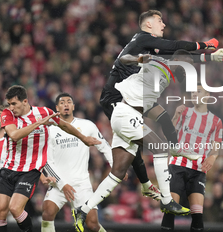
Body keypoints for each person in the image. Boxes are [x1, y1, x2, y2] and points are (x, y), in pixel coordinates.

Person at [73, 51, 214, 232]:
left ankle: (82, 210)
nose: (187, 73)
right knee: (160, 148)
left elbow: (157, 114)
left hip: (127, 114)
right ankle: (167, 200)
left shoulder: (166, 77)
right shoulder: (159, 64)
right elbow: (123, 59)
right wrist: (138, 59)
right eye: (187, 68)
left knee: (117, 173)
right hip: (126, 113)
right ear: (178, 61)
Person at [99, 10, 223, 201]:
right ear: (149, 25)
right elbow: (175, 45)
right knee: (137, 145)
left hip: (135, 97)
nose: (163, 25)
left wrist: (209, 58)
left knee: (163, 117)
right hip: (117, 97)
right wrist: (204, 45)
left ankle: (173, 152)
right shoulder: (143, 39)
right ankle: (147, 184)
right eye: (159, 21)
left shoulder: (148, 46)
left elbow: (177, 57)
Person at [0, 85, 101, 232]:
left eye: (14, 104)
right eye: (9, 104)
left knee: (15, 208)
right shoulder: (7, 114)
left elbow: (64, 125)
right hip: (8, 168)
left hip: (30, 170)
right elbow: (15, 135)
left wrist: (83, 138)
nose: (11, 107)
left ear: (25, 101)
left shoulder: (44, 112)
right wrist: (39, 123)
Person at [41, 93, 113, 232]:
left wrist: (115, 167)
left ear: (73, 106)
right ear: (57, 108)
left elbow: (104, 146)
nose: (66, 104)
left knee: (92, 225)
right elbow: (47, 162)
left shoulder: (87, 125)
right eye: (62, 102)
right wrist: (62, 184)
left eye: (69, 102)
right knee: (47, 213)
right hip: (59, 183)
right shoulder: (50, 130)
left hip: (81, 184)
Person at [161, 83, 223, 231]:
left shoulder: (216, 121)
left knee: (197, 216)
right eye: (193, 92)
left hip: (198, 169)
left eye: (199, 92)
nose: (195, 94)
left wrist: (212, 158)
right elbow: (167, 135)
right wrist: (175, 115)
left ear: (207, 96)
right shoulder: (184, 112)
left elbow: (216, 146)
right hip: (177, 164)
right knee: (170, 211)